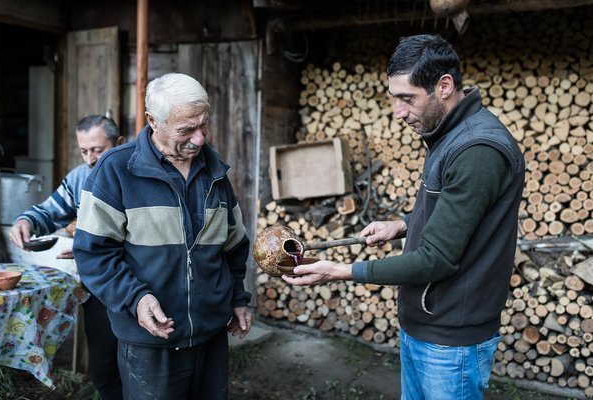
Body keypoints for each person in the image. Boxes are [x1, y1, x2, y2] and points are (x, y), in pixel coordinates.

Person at [283, 34, 525, 400]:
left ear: (444, 86)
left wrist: (343, 271)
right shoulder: (448, 134)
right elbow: (456, 215)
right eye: (394, 98)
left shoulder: (477, 150)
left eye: (406, 99)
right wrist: (402, 225)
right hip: (426, 323)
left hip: (450, 339)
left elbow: (437, 259)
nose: (397, 112)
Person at [72, 73, 253, 400]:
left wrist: (238, 297)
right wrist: (136, 297)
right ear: (153, 121)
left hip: (211, 336)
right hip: (149, 341)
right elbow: (93, 255)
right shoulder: (116, 170)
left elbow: (234, 245)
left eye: (204, 125)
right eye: (186, 129)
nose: (199, 139)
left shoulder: (214, 171)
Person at [8, 115, 125, 400]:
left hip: (141, 282)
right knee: (103, 368)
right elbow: (50, 211)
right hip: (100, 287)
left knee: (140, 366)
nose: (90, 159)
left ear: (120, 143)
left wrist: (93, 245)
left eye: (98, 150)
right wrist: (26, 221)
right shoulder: (80, 177)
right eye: (84, 151)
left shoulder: (138, 176)